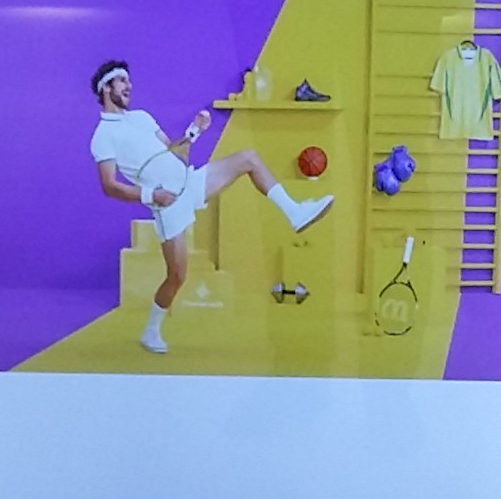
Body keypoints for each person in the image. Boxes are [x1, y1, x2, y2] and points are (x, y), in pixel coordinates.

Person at [91, 56, 332, 358]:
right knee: (177, 276)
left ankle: (295, 212)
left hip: (190, 182)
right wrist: (153, 196)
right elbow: (109, 186)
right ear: (106, 87)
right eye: (122, 81)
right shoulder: (102, 137)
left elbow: (173, 151)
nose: (129, 86)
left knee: (248, 158)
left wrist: (193, 131)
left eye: (129, 80)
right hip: (168, 204)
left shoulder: (141, 117)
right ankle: (152, 330)